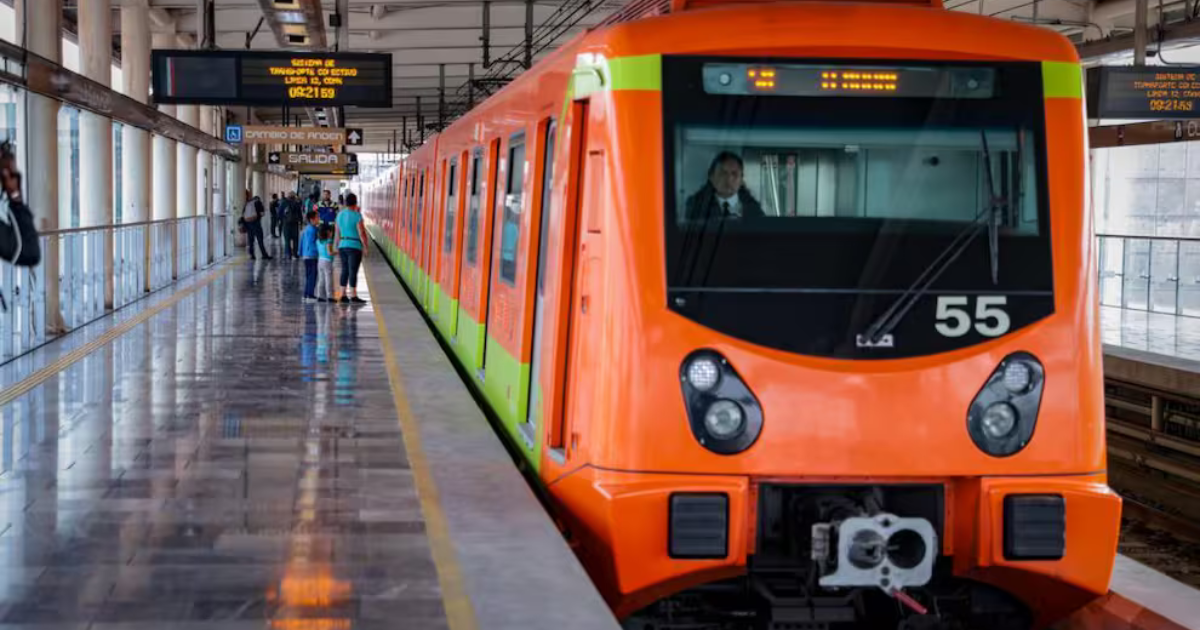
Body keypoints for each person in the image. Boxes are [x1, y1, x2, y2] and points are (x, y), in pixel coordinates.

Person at [684, 151, 765, 221]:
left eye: (734, 174)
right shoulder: (697, 206)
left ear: (741, 180)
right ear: (711, 177)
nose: (729, 179)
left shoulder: (753, 208)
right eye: (723, 174)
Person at [334, 192, 368, 304]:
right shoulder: (357, 216)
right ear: (355, 203)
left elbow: (337, 233)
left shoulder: (339, 215)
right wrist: (365, 246)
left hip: (342, 245)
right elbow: (361, 232)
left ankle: (343, 294)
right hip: (354, 246)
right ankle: (353, 295)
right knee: (353, 271)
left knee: (345, 269)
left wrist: (336, 246)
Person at [242, 190, 272, 260]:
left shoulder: (247, 203)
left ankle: (252, 255)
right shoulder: (258, 203)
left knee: (251, 241)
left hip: (248, 224)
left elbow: (243, 214)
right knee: (260, 240)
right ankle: (264, 255)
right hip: (256, 224)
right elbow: (262, 213)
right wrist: (258, 216)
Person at [300, 210, 320, 303]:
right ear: (312, 219)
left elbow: (301, 242)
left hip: (306, 256)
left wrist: (301, 253)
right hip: (312, 256)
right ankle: (310, 296)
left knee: (308, 276)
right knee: (313, 276)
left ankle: (306, 294)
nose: (319, 219)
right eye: (317, 217)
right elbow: (312, 243)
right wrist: (319, 252)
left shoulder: (306, 229)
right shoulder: (313, 230)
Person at [315, 224, 335, 303]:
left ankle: (320, 296)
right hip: (327, 261)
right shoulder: (329, 241)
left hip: (320, 260)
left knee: (321, 279)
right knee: (328, 279)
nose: (332, 234)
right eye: (331, 232)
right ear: (328, 232)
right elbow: (330, 252)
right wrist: (337, 252)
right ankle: (329, 296)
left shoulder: (318, 241)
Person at [283, 191, 304, 259]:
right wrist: (301, 223)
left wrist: (283, 220)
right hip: (295, 224)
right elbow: (300, 214)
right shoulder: (297, 203)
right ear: (295, 196)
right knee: (295, 239)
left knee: (287, 240)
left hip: (286, 224)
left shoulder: (284, 203)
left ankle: (289, 254)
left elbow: (279, 213)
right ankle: (295, 254)